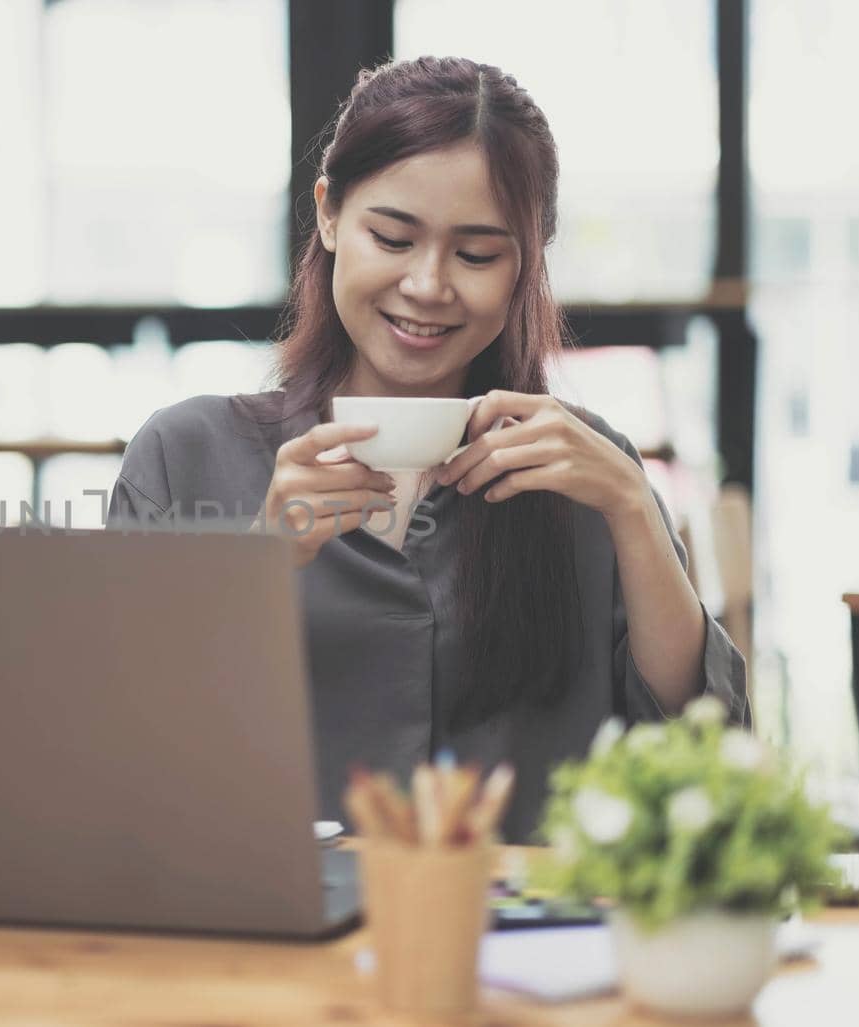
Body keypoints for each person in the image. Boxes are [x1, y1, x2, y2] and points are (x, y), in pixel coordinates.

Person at [106, 56, 747, 842]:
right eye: (393, 237)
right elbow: (124, 751)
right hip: (271, 936)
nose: (429, 285)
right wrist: (260, 565)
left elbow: (699, 745)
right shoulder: (187, 457)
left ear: (525, 266)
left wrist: (633, 510)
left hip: (524, 946)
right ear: (330, 215)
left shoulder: (583, 470)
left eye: (477, 255)